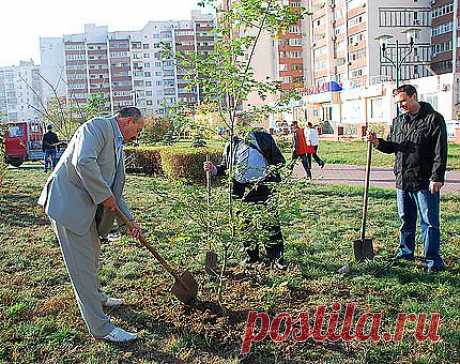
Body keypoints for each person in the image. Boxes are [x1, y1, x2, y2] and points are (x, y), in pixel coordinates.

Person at [38, 107, 145, 343]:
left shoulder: (117, 144)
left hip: (85, 209)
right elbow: (83, 162)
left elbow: (115, 193)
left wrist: (130, 222)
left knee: (93, 255)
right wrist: (104, 195)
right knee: (82, 269)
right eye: (138, 130)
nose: (137, 136)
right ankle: (101, 328)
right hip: (68, 205)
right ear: (128, 121)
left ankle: (98, 297)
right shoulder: (97, 127)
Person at [368, 84, 448, 272]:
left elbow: (440, 151)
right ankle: (405, 252)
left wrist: (437, 177)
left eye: (403, 100)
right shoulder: (398, 121)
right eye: (398, 102)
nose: (401, 105)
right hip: (403, 180)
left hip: (424, 181)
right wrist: (378, 142)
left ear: (414, 96)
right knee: (406, 219)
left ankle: (433, 260)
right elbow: (393, 147)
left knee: (429, 223)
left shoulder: (433, 119)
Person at [203, 128, 287, 270]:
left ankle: (276, 257)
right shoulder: (231, 144)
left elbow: (279, 161)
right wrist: (213, 169)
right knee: (245, 225)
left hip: (263, 187)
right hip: (241, 190)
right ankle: (251, 257)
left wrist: (269, 176)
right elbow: (225, 167)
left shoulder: (263, 138)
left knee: (270, 224)